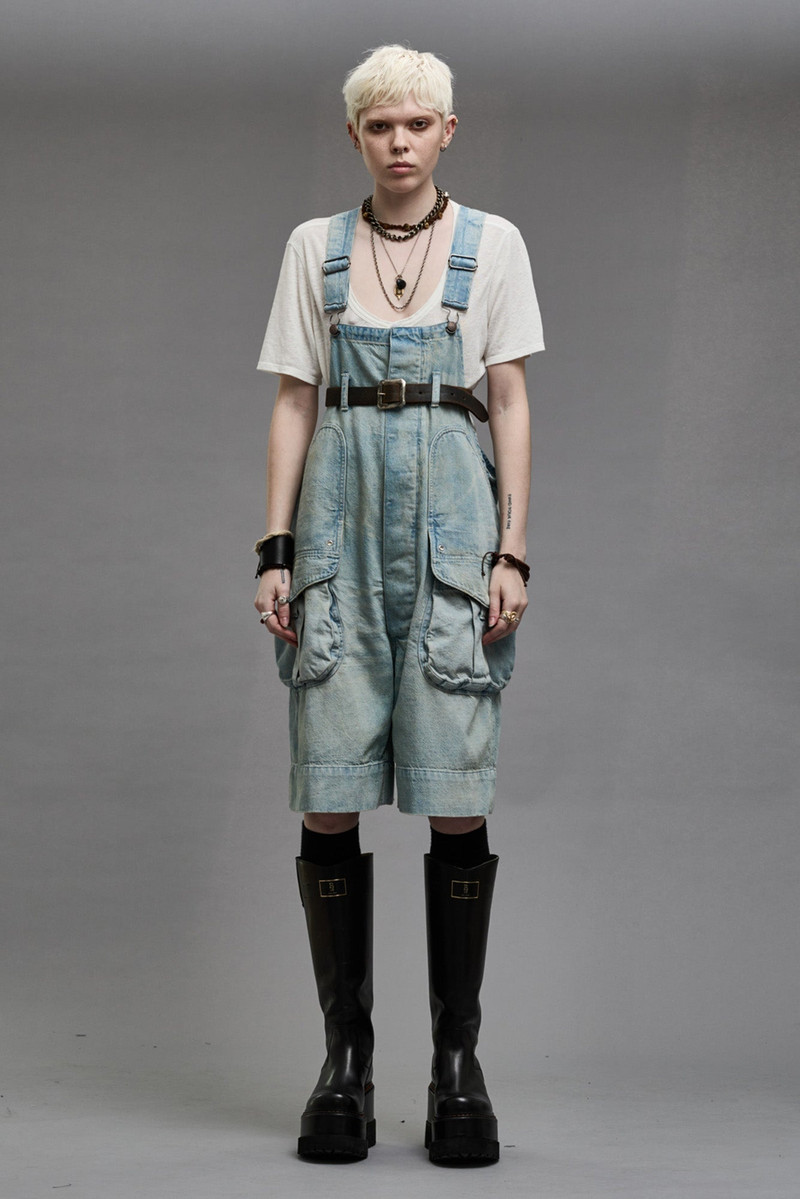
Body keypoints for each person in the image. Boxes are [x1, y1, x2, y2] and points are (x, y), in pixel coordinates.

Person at [253, 45, 544, 1165]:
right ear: (355, 136)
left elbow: (508, 397)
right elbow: (295, 399)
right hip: (337, 519)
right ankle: (346, 1062)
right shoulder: (312, 248)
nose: (400, 142)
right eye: (380, 126)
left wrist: (512, 548)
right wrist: (275, 549)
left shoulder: (494, 245)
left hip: (451, 526)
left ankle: (456, 1065)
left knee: (453, 793)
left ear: (447, 131)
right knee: (330, 792)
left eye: (418, 123)